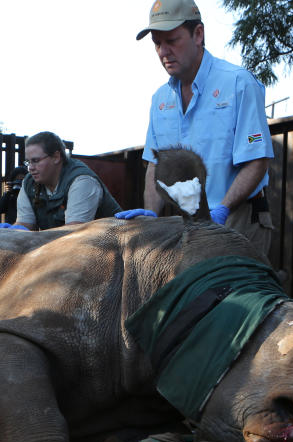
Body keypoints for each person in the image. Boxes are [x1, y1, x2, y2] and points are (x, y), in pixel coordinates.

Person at [118, 0, 274, 253]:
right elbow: (156, 164)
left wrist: (222, 209)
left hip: (239, 216)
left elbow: (257, 160)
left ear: (198, 34)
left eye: (171, 40)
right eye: (157, 43)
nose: (163, 51)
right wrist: (151, 215)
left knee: (233, 292)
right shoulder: (160, 100)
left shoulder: (238, 84)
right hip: (189, 223)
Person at [13, 131, 122, 230]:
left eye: (35, 161)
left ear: (56, 157)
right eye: (28, 162)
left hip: (112, 248)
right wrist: (9, 232)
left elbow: (73, 232)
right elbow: (25, 224)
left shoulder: (82, 180)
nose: (30, 168)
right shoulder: (29, 183)